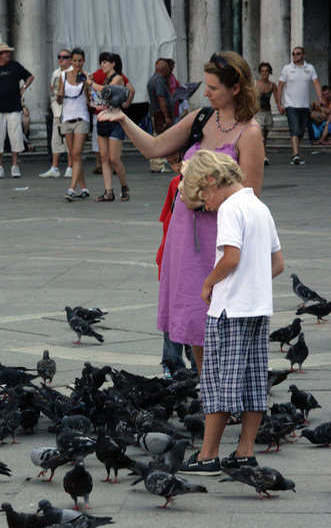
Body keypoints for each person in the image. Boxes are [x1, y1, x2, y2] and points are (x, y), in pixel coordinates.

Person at [98, 51, 265, 374]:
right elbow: (154, 147)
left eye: (213, 88)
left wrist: (201, 195)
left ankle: (225, 389)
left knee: (221, 316)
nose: (206, 93)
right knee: (193, 318)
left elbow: (250, 198)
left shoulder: (250, 133)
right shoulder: (202, 118)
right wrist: (123, 119)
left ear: (235, 89)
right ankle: (208, 390)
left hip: (219, 235)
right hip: (184, 232)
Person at [175, 150, 284, 475]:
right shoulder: (259, 207)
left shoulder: (230, 209)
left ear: (212, 181)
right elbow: (277, 263)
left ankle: (208, 455)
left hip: (229, 310)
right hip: (258, 309)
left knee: (218, 382)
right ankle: (245, 451)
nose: (205, 204)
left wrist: (209, 283)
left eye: (202, 195)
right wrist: (255, 281)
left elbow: (231, 257)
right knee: (252, 381)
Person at [156, 151, 195, 377]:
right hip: (171, 255)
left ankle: (196, 365)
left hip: (189, 258)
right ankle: (171, 364)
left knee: (190, 315)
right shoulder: (174, 183)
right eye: (170, 163)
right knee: (170, 316)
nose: (175, 167)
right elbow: (167, 221)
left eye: (177, 162)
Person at [0, 41, 34, 178]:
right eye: (5, 52)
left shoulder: (15, 66)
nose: (8, 54)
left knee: (15, 135)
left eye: (8, 52)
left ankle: (15, 166)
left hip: (14, 107)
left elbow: (30, 76)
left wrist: (23, 88)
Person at [87, 52, 130, 202]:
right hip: (103, 118)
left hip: (116, 120)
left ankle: (124, 186)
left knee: (114, 158)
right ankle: (108, 191)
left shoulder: (117, 78)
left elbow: (106, 90)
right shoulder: (105, 79)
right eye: (101, 62)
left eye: (105, 62)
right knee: (104, 157)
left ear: (113, 64)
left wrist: (91, 83)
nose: (102, 65)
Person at [277, 46, 323, 165]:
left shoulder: (310, 68)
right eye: (293, 54)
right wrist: (279, 103)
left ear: (303, 55)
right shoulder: (287, 68)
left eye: (298, 54)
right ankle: (295, 154)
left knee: (301, 130)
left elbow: (316, 83)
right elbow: (280, 86)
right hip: (290, 105)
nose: (295, 56)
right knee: (295, 128)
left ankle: (296, 153)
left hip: (304, 105)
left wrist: (320, 98)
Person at [56, 47, 91, 202]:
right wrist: (59, 96)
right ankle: (84, 188)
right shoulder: (63, 76)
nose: (77, 64)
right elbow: (59, 99)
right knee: (73, 155)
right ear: (71, 61)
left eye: (80, 61)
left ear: (83, 61)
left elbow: (90, 102)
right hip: (67, 118)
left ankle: (71, 188)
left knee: (76, 154)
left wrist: (87, 89)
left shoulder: (86, 76)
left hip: (81, 117)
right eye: (75, 61)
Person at [39, 49, 73, 178]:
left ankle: (70, 167)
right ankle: (55, 167)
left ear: (70, 59)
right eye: (59, 57)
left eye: (65, 57)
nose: (61, 59)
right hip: (57, 111)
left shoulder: (72, 73)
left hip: (69, 111)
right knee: (56, 140)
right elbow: (52, 88)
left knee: (69, 141)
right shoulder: (56, 72)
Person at [146, 58, 174, 173]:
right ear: (163, 68)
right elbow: (161, 98)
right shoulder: (159, 81)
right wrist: (166, 116)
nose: (170, 70)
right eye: (168, 67)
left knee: (157, 137)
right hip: (159, 114)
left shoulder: (153, 79)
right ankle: (158, 164)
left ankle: (156, 163)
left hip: (155, 112)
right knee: (159, 138)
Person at [255, 62, 280, 163]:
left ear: (269, 72)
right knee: (261, 137)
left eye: (266, 71)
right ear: (260, 72)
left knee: (265, 137)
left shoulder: (272, 85)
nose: (264, 73)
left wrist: (280, 106)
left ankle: (261, 154)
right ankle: (264, 156)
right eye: (262, 71)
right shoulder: (255, 84)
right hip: (258, 113)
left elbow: (277, 99)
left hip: (268, 113)